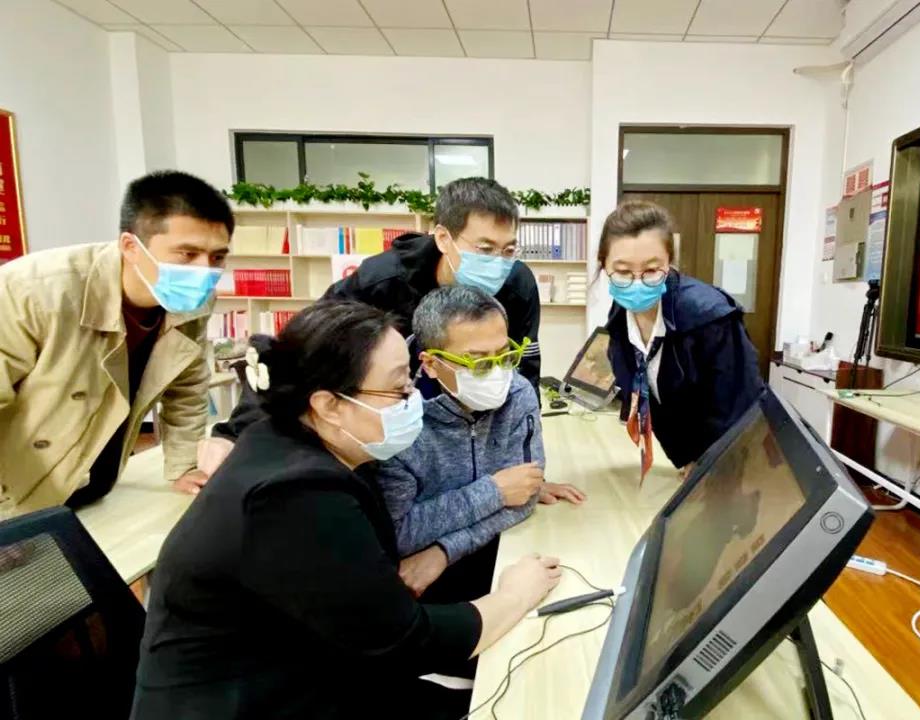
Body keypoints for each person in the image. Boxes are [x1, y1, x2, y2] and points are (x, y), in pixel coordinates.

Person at [132, 300, 562, 720]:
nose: (413, 400)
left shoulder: (291, 448)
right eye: (398, 389)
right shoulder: (295, 495)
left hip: (316, 670)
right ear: (328, 405)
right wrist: (515, 595)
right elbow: (407, 640)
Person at [204, 177, 552, 473]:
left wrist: (527, 458)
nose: (498, 263)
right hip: (390, 423)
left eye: (508, 250)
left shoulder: (518, 285)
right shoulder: (381, 281)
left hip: (465, 429)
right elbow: (298, 350)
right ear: (444, 238)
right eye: (485, 248)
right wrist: (234, 434)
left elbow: (524, 372)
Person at [0, 170, 232, 518]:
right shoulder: (33, 291)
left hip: (95, 478)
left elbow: (186, 388)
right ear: (130, 247)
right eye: (187, 254)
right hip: (16, 492)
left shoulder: (194, 302)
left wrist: (184, 466)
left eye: (217, 257)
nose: (204, 271)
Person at [382, 287, 585, 602]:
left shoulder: (518, 393)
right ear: (432, 364)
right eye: (477, 362)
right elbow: (396, 534)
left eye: (504, 355)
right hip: (418, 585)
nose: (498, 373)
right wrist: (495, 492)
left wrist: (444, 550)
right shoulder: (398, 420)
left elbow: (526, 495)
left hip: (497, 555)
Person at [599, 200, 764, 479]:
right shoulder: (620, 314)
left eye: (652, 270)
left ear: (669, 264)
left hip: (738, 466)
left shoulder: (710, 318)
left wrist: (712, 468)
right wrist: (689, 460)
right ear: (604, 266)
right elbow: (652, 395)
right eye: (624, 272)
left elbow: (741, 411)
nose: (637, 283)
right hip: (691, 464)